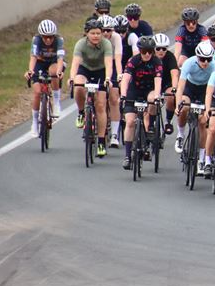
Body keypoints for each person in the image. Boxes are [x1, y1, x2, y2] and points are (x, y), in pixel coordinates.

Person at [69, 19, 113, 157]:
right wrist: (71, 78)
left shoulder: (106, 44)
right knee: (78, 86)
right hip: (85, 69)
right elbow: (75, 64)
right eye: (92, 33)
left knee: (100, 105)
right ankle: (82, 112)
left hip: (101, 71)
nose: (96, 36)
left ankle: (101, 141)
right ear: (86, 34)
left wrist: (107, 79)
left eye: (98, 33)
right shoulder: (80, 44)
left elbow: (108, 64)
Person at [119, 35, 163, 170]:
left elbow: (158, 81)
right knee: (130, 121)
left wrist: (157, 96)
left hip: (148, 90)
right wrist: (123, 95)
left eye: (150, 51)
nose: (147, 54)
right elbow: (125, 79)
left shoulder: (157, 62)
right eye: (144, 51)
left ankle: (150, 128)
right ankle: (127, 156)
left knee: (152, 101)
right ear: (140, 50)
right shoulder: (133, 60)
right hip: (134, 90)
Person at [174, 41, 215, 174]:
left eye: (208, 59)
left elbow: (214, 89)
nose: (205, 62)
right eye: (202, 59)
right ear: (197, 57)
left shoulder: (214, 66)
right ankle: (180, 135)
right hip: (189, 88)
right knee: (184, 108)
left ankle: (202, 158)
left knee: (203, 122)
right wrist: (177, 105)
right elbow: (180, 87)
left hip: (205, 90)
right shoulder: (189, 63)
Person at [25, 20, 65, 136]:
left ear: (54, 36)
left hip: (54, 62)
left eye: (51, 37)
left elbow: (60, 58)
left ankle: (57, 102)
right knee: (37, 93)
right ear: (41, 36)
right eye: (45, 37)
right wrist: (31, 71)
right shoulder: (36, 40)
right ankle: (34, 122)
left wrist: (58, 72)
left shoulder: (59, 40)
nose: (48, 40)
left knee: (53, 72)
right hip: (40, 62)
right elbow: (33, 57)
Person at [99, 14, 123, 147]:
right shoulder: (95, 38)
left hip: (112, 65)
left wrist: (119, 75)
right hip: (98, 65)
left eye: (109, 30)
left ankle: (114, 135)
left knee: (114, 97)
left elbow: (118, 59)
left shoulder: (116, 38)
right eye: (104, 30)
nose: (106, 33)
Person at [154, 33, 179, 135]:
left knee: (171, 97)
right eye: (158, 48)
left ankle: (168, 120)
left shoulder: (170, 56)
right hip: (153, 83)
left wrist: (174, 88)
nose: (161, 51)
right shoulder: (149, 56)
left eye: (164, 49)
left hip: (166, 83)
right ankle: (151, 123)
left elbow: (174, 74)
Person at [121, 3, 153, 69]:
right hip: (127, 54)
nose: (132, 20)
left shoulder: (145, 26)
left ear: (139, 17)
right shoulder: (124, 28)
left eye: (135, 17)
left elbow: (150, 43)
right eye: (130, 18)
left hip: (143, 53)